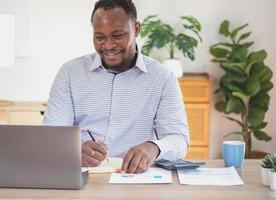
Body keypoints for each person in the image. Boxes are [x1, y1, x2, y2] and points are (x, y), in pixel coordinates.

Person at [43, 0, 189, 173]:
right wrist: (72, 149)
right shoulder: (70, 73)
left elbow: (179, 139)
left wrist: (153, 147)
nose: (109, 45)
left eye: (117, 36)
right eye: (100, 37)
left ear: (136, 29)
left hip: (134, 179)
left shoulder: (162, 78)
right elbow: (52, 136)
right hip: (82, 177)